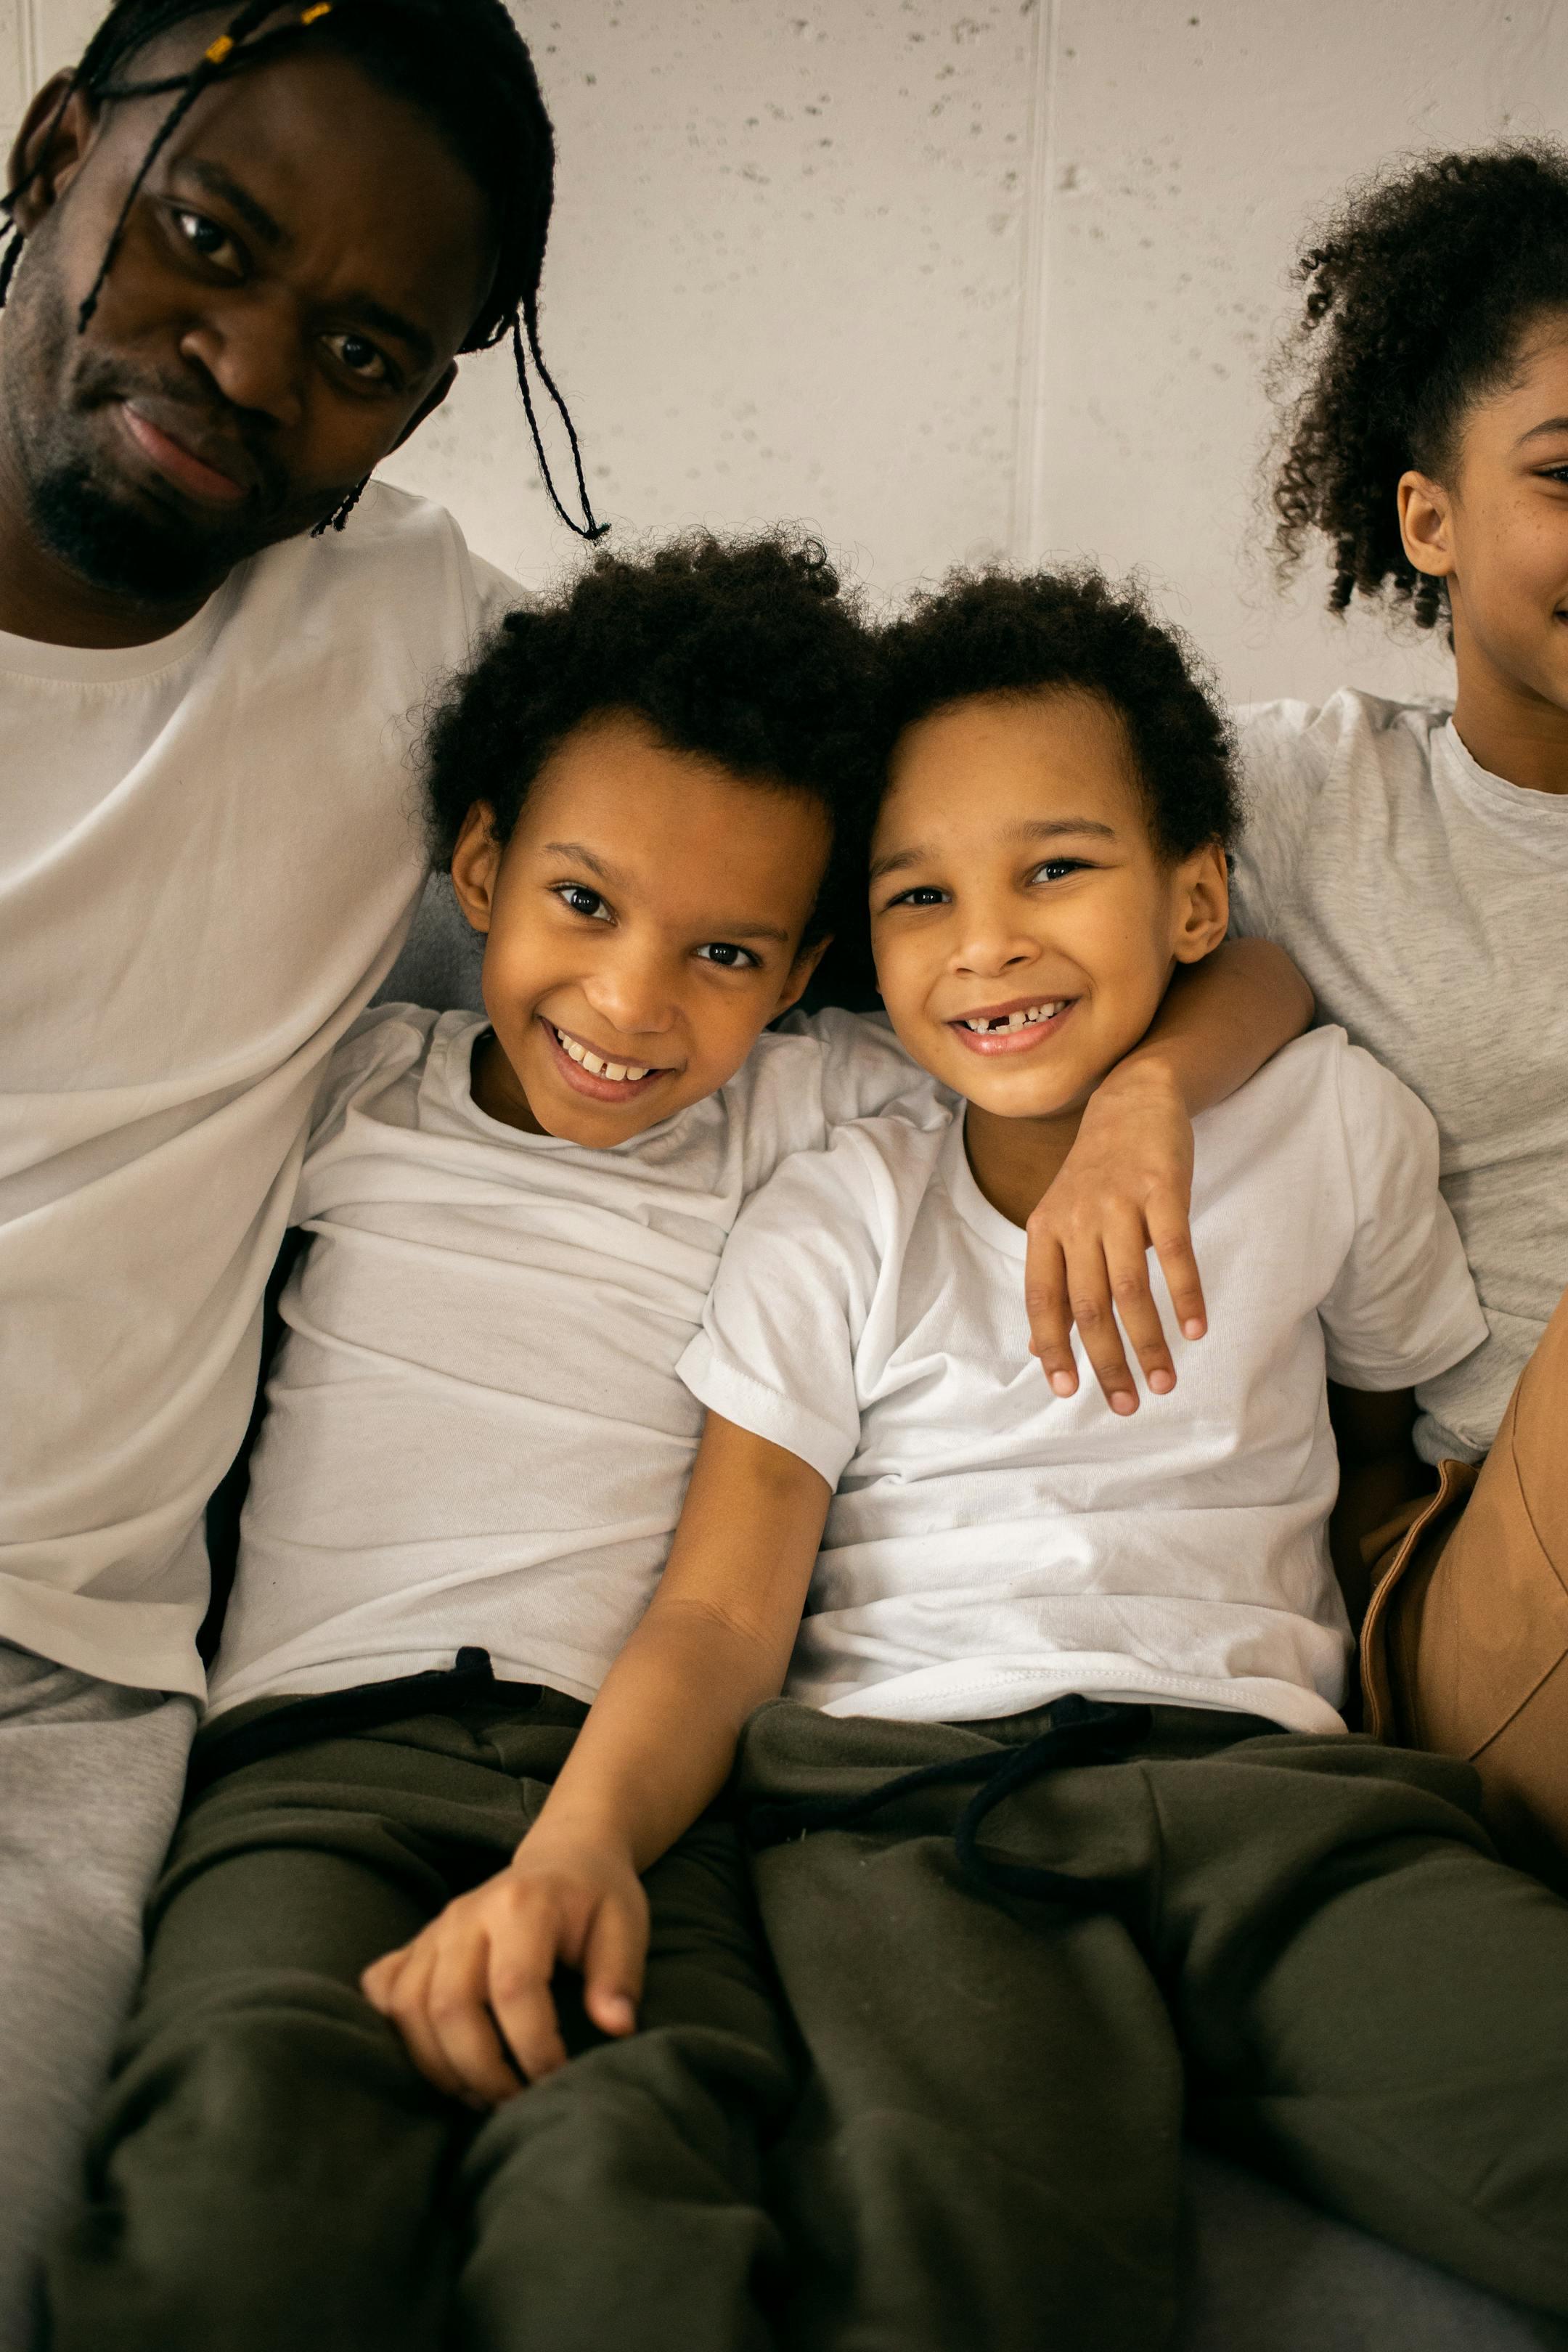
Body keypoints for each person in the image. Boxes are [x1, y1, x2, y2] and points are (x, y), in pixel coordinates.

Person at [44, 535, 1316, 2351]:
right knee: (238, 2163)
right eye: (581, 905)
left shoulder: (816, 1114)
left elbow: (1251, 976)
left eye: (723, 952)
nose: (636, 1005)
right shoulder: (344, 1096)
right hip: (310, 1774)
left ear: (804, 968)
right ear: (478, 870)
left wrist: (1143, 1108)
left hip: (658, 1793)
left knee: (635, 2189)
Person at [368, 568, 1568, 2351]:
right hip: (913, 1821)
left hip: (1281, 1800)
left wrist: (1163, 1098)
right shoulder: (837, 1206)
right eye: (918, 896)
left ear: (1195, 898)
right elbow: (718, 1612)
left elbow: (1384, 1456)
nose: (985, 943)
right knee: (970, 2256)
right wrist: (583, 1845)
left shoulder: (1333, 1123)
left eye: (1054, 870)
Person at [0, 0, 608, 2336]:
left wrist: (1180, 1064)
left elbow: (881, 871)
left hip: (50, 1700)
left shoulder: (412, 641)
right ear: (64, 148)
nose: (243, 362)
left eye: (357, 346)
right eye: (201, 239)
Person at [1230, 142, 1568, 1883]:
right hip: (1496, 1569)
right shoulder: (1311, 801)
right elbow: (992, 886)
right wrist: (1156, 1088)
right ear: (1429, 514)